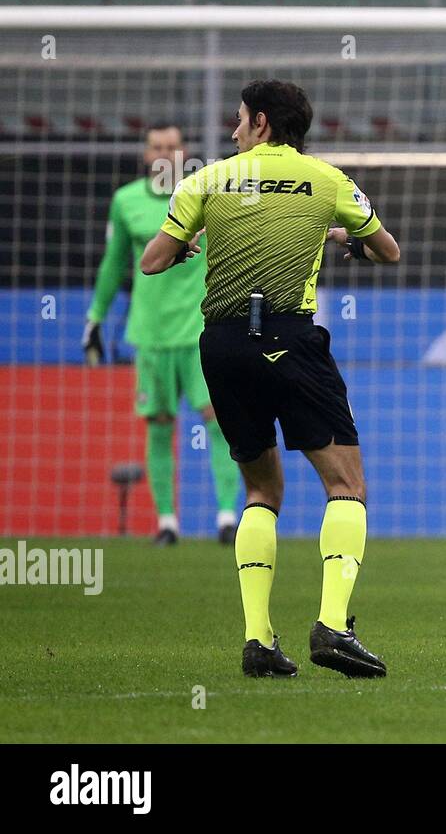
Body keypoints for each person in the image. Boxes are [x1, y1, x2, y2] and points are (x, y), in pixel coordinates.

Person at [139, 80, 401, 679]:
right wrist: (343, 239)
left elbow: (153, 260)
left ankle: (259, 640)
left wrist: (186, 249)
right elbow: (388, 250)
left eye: (238, 120)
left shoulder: (206, 180)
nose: (233, 131)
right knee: (346, 484)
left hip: (224, 348)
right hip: (292, 341)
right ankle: (333, 625)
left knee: (261, 491)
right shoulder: (329, 180)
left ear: (260, 121)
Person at [84, 123, 241, 546]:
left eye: (172, 146)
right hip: (150, 334)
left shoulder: (206, 196)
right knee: (159, 427)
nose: (164, 153)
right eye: (157, 146)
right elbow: (114, 264)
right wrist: (95, 318)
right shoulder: (126, 201)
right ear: (145, 153)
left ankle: (227, 517)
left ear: (183, 151)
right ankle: (167, 523)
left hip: (199, 331)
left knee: (218, 423)